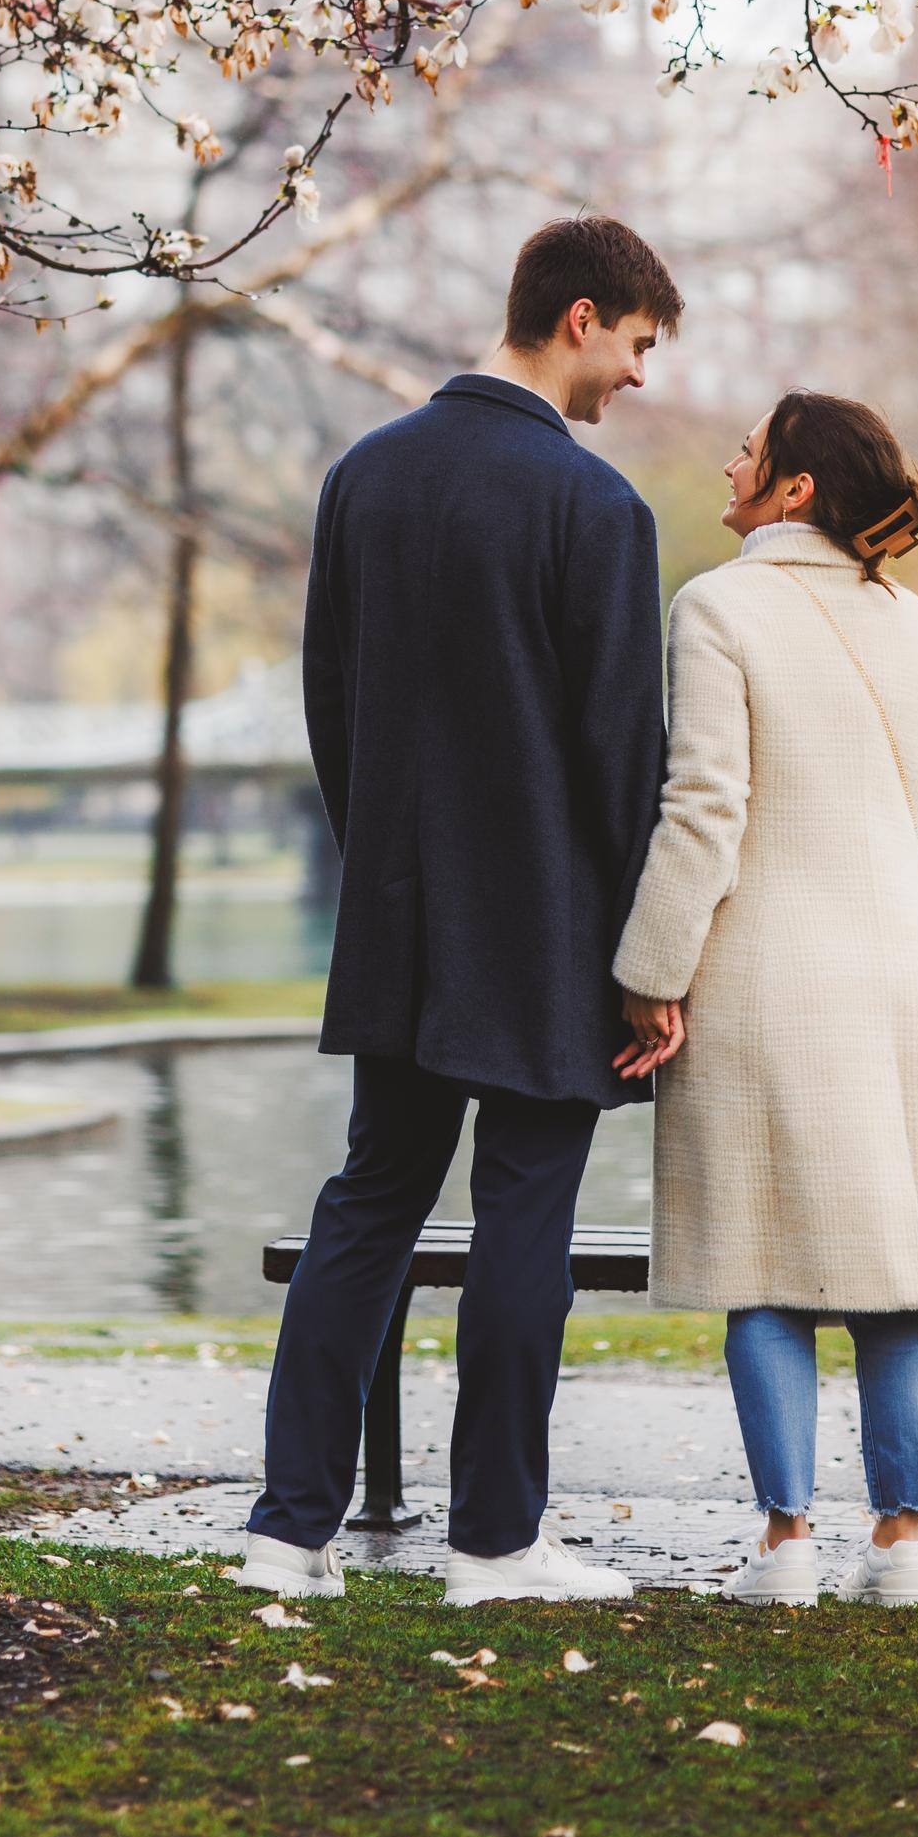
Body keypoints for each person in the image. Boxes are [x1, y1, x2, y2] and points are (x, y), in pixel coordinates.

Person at [238, 215, 681, 1607]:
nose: (641, 379)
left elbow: (330, 707)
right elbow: (623, 757)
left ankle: (285, 1533)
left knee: (366, 1209)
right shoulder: (597, 510)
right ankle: (496, 1544)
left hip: (402, 917)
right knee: (523, 1224)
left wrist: (384, 863)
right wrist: (648, 961)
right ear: (580, 317)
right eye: (639, 345)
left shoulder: (362, 479)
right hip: (548, 929)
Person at [611, 391, 918, 1606]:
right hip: (905, 976)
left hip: (767, 972)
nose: (728, 463)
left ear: (793, 490)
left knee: (763, 1260)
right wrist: (897, 937)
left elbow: (703, 812)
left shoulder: (716, 607)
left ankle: (782, 1544)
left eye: (749, 453)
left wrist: (648, 974)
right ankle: (902, 1544)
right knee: (894, 1260)